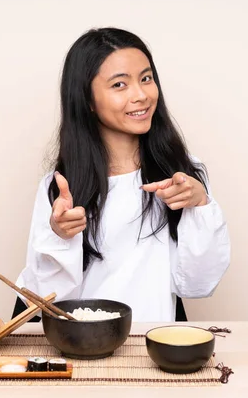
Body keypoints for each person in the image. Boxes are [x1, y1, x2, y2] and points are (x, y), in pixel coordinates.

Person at [14, 27, 230, 322]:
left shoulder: (182, 176)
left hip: (154, 348)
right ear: (87, 100)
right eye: (119, 85)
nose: (141, 95)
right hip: (83, 351)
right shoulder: (60, 188)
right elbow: (40, 302)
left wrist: (201, 205)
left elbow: (198, 285)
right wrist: (58, 236)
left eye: (146, 78)